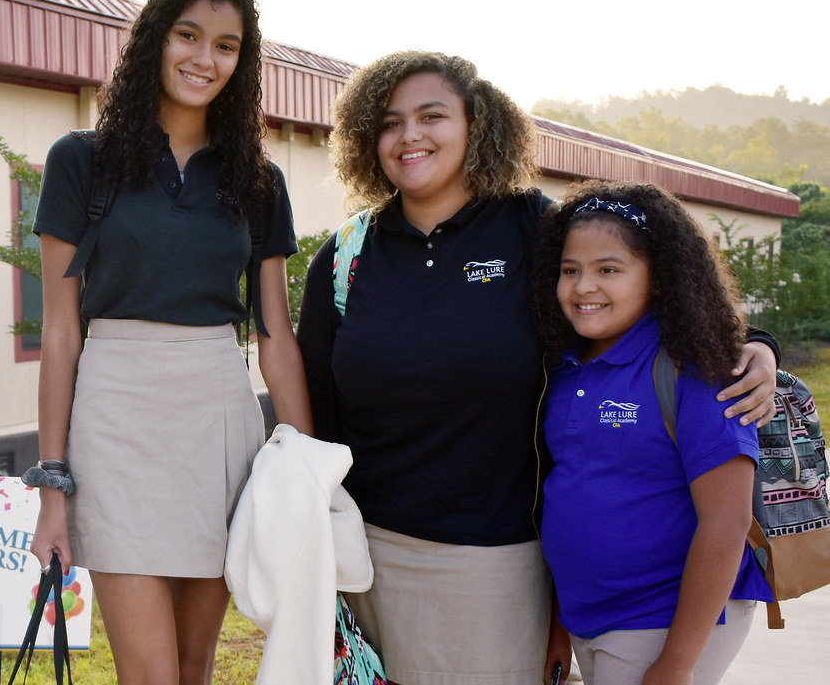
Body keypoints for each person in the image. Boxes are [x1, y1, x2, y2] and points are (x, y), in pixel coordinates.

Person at [295, 51, 777, 685]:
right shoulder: (347, 255)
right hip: (360, 553)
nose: (410, 135)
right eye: (390, 122)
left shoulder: (533, 228)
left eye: (432, 115)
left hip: (492, 558)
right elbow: (316, 399)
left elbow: (639, 282)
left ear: (477, 124)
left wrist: (756, 343)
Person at [26, 0, 312, 685]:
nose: (203, 58)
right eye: (188, 35)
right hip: (114, 420)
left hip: (217, 419)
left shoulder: (258, 179)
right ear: (155, 41)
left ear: (241, 63)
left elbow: (275, 337)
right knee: (150, 673)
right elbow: (60, 335)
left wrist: (309, 477)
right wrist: (52, 487)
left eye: (226, 44)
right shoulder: (81, 162)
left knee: (193, 667)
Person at [530, 181, 775, 685]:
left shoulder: (696, 371)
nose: (583, 287)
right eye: (570, 270)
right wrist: (558, 626)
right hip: (590, 617)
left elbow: (727, 523)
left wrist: (677, 663)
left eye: (609, 270)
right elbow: (573, 497)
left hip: (663, 619)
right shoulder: (567, 367)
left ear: (659, 278)